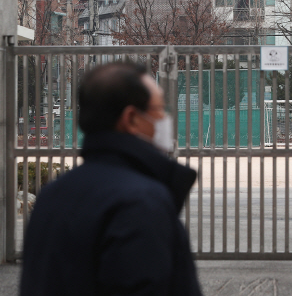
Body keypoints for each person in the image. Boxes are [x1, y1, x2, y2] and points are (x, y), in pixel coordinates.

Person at [20, 62, 202, 296]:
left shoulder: (52, 194)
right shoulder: (141, 202)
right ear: (132, 118)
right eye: (160, 108)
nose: (165, 118)